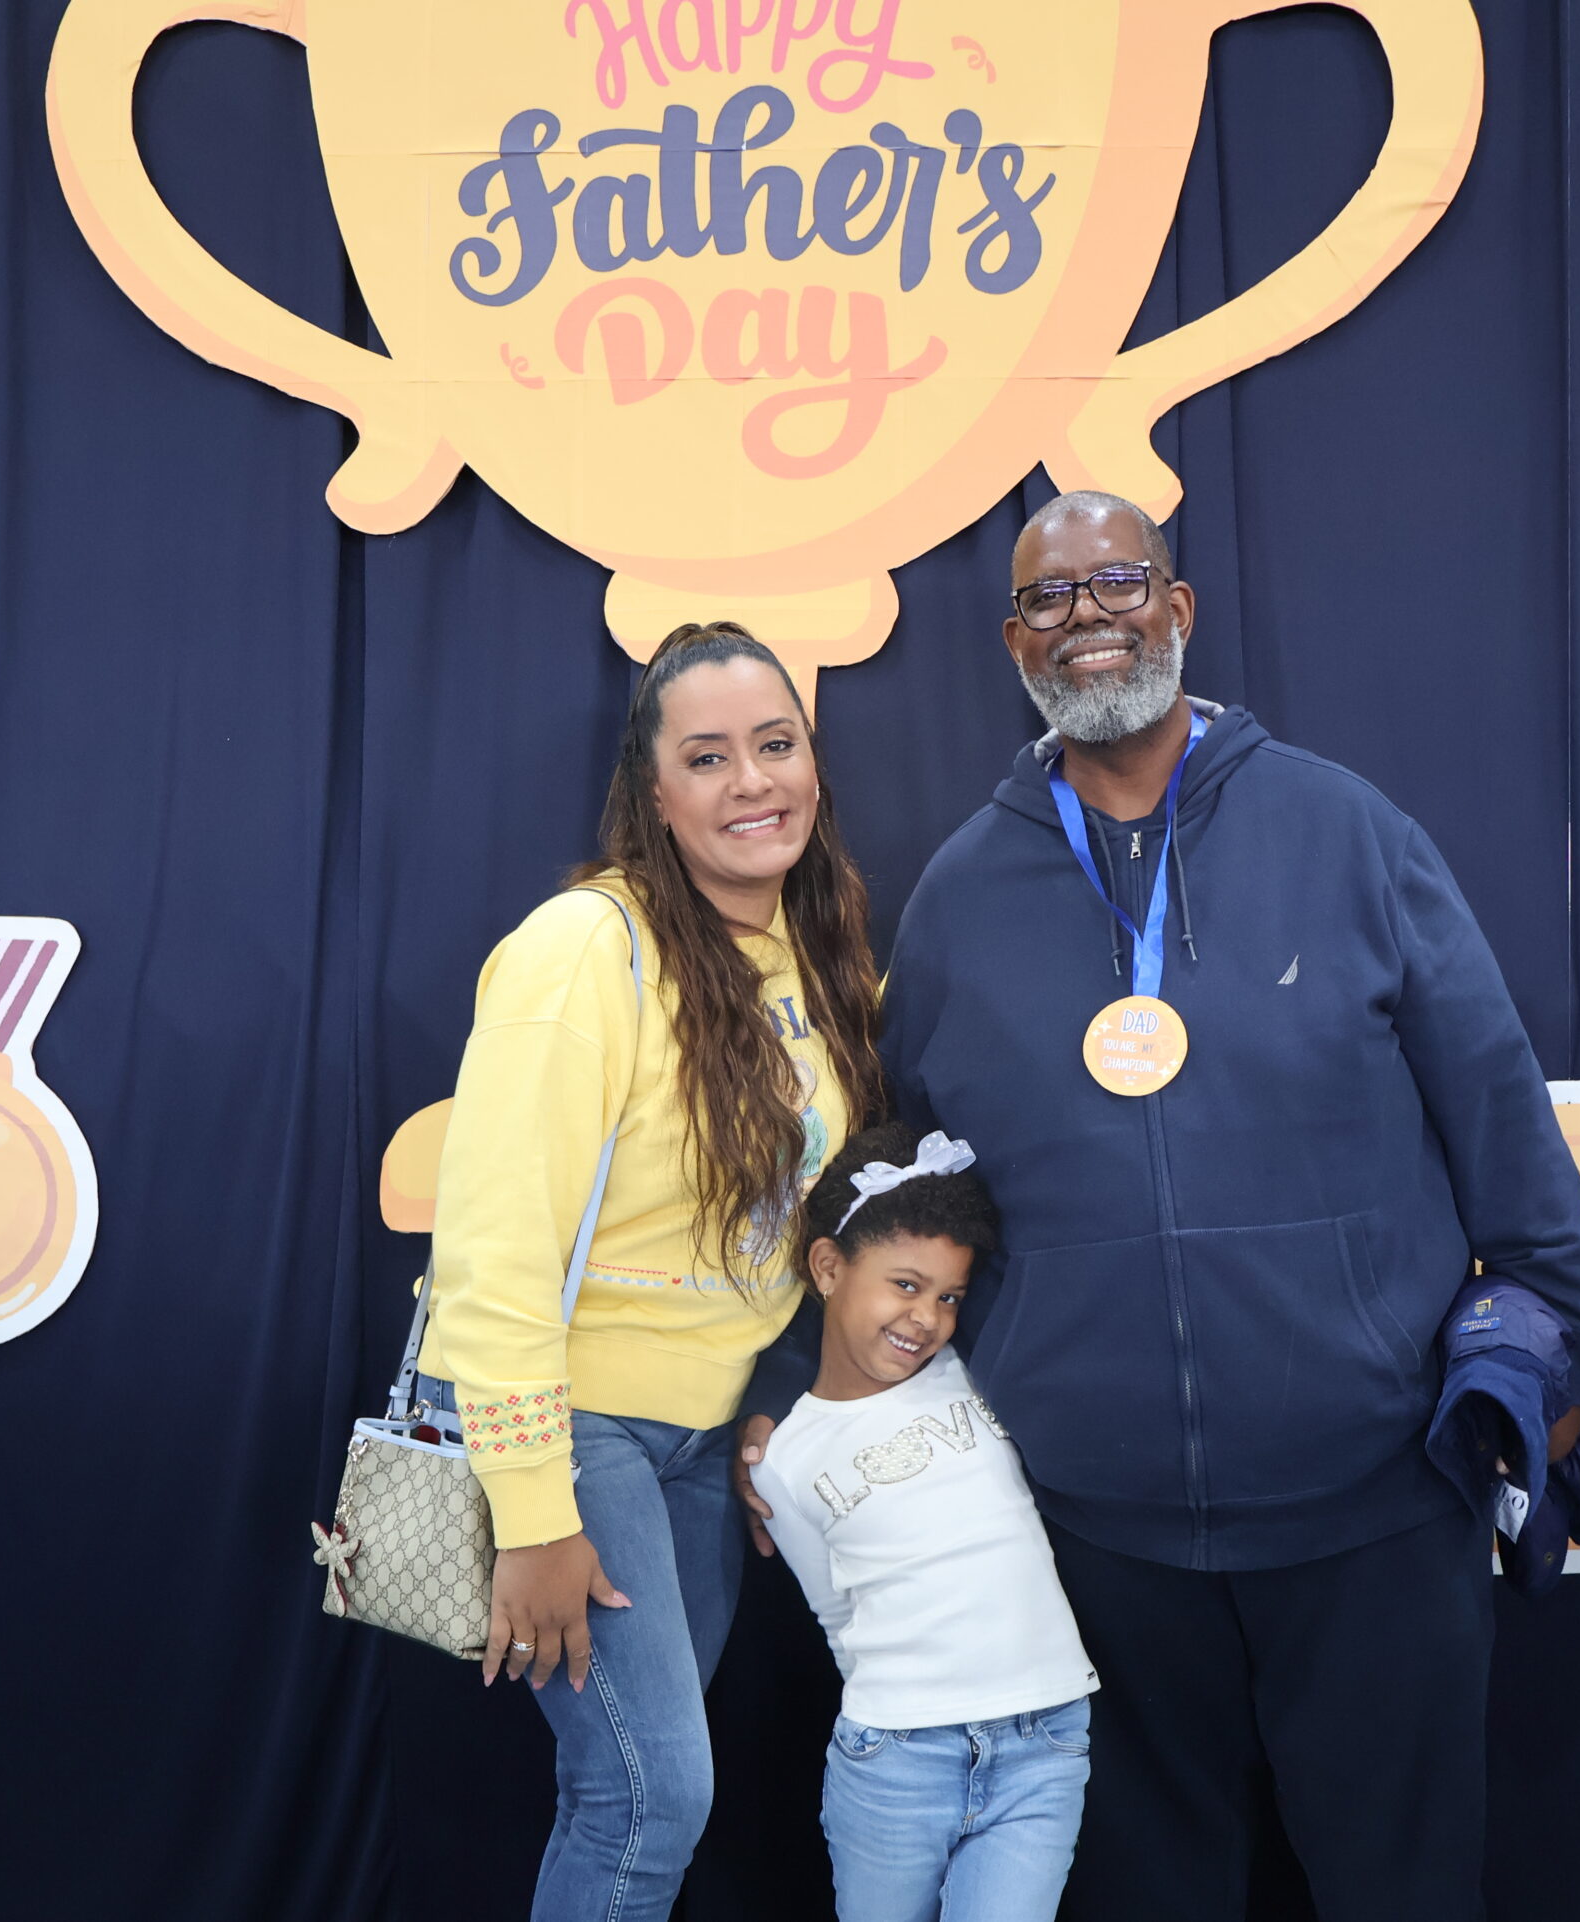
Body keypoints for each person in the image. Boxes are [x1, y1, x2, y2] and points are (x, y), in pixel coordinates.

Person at [740, 493, 1580, 1921]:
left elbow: (1498, 1109)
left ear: (1179, 607)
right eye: (1049, 598)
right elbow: (898, 1183)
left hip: (1375, 1506)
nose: (1086, 617)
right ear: (1014, 642)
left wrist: (1569, 1346)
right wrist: (801, 1381)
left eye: (1116, 582)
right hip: (1093, 1537)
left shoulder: (1346, 833)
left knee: (1403, 1893)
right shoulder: (962, 895)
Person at [420, 620, 882, 1922]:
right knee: (648, 1797)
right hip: (575, 1426)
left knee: (624, 1795)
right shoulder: (583, 947)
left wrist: (776, 1404)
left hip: (702, 1441)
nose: (752, 781)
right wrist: (533, 1509)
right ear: (656, 792)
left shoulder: (818, 955)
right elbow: (495, 1246)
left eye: (776, 745)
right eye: (709, 756)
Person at [751, 1122, 1098, 1922]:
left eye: (948, 1297)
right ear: (828, 1267)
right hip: (896, 1760)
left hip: (1044, 1741)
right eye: (905, 1285)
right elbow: (834, 1615)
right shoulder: (781, 1458)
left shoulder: (972, 1373)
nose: (927, 1317)